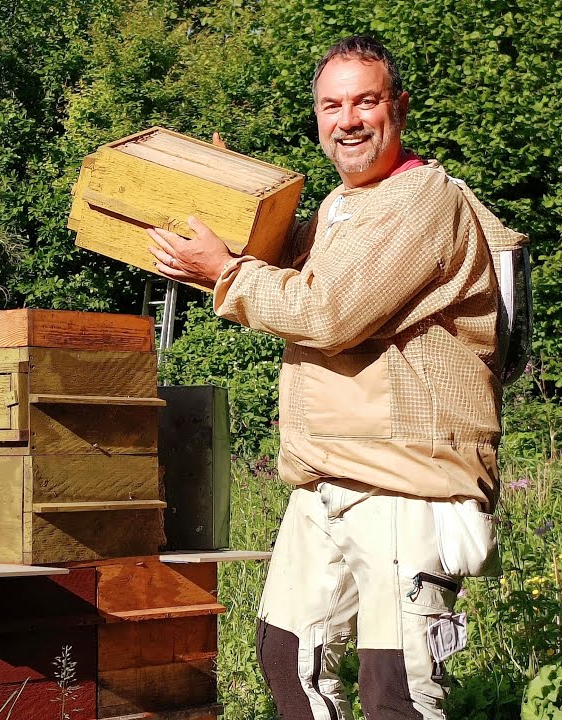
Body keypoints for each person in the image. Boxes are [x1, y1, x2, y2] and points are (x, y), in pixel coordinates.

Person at [147, 36, 511, 720]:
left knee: (396, 687)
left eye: (366, 101)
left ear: (398, 108)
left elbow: (331, 313)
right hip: (327, 477)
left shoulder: (422, 200)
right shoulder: (342, 209)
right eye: (331, 105)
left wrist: (222, 272)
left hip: (409, 482)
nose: (348, 119)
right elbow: (286, 277)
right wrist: (228, 211)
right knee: (288, 656)